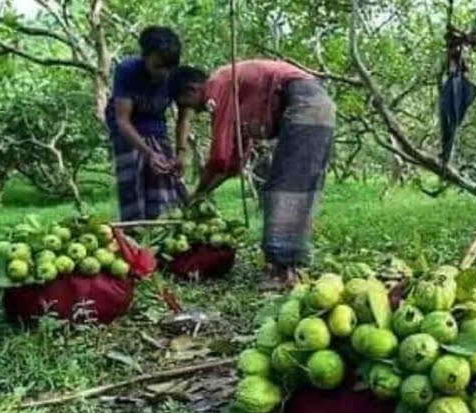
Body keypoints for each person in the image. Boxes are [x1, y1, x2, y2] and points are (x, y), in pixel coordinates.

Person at [172, 59, 336, 290]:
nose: (195, 111)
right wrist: (204, 192)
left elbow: (219, 157)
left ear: (192, 89)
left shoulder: (218, 84)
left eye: (186, 103)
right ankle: (286, 264)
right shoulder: (236, 91)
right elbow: (235, 162)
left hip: (303, 101)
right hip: (315, 102)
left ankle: (283, 270)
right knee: (290, 185)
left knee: (287, 186)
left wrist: (197, 192)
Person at [105, 26, 190, 221]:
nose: (164, 73)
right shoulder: (127, 70)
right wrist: (149, 153)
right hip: (127, 131)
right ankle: (134, 237)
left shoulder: (176, 76)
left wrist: (181, 152)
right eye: (158, 66)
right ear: (145, 57)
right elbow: (122, 121)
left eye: (169, 67)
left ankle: (161, 235)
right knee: (133, 188)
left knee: (164, 184)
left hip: (157, 128)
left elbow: (184, 116)